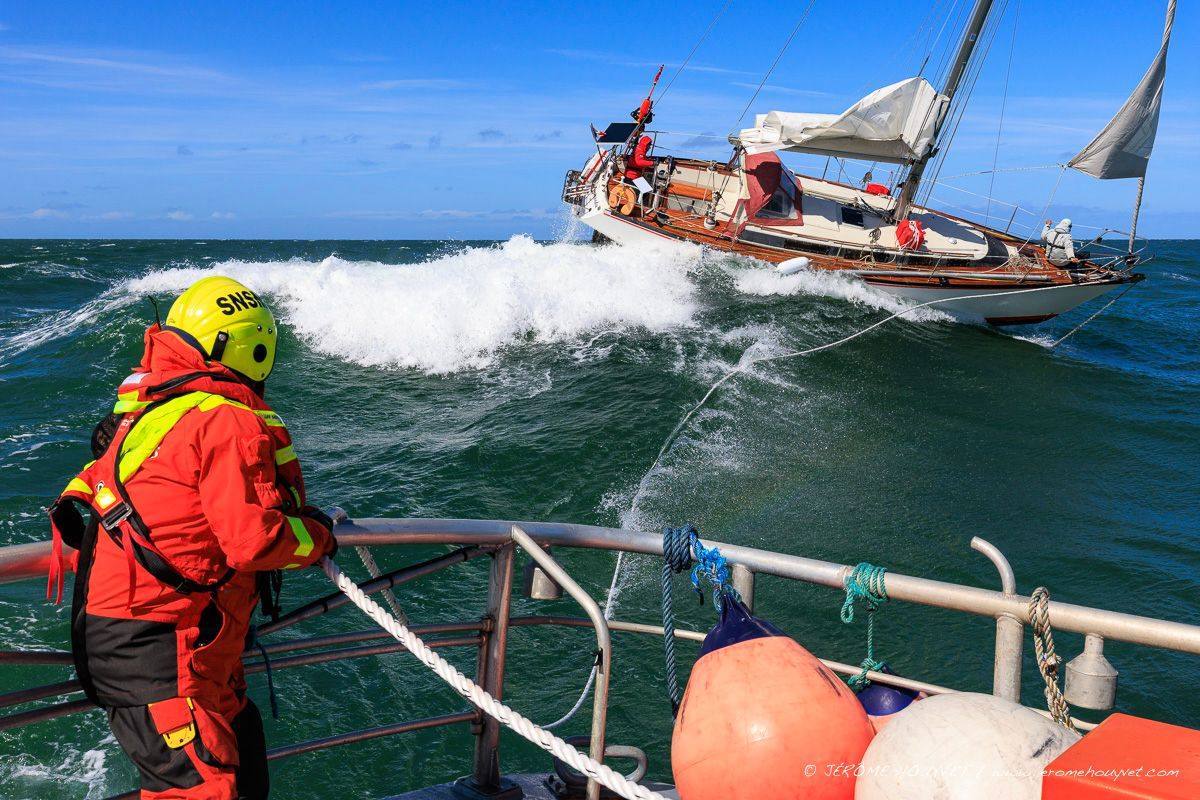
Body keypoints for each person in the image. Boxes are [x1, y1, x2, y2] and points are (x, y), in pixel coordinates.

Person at [47, 276, 337, 800]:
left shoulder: (163, 406)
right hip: (156, 647)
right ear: (254, 348)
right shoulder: (226, 419)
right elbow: (254, 541)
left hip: (183, 642)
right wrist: (319, 536)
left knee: (246, 776)